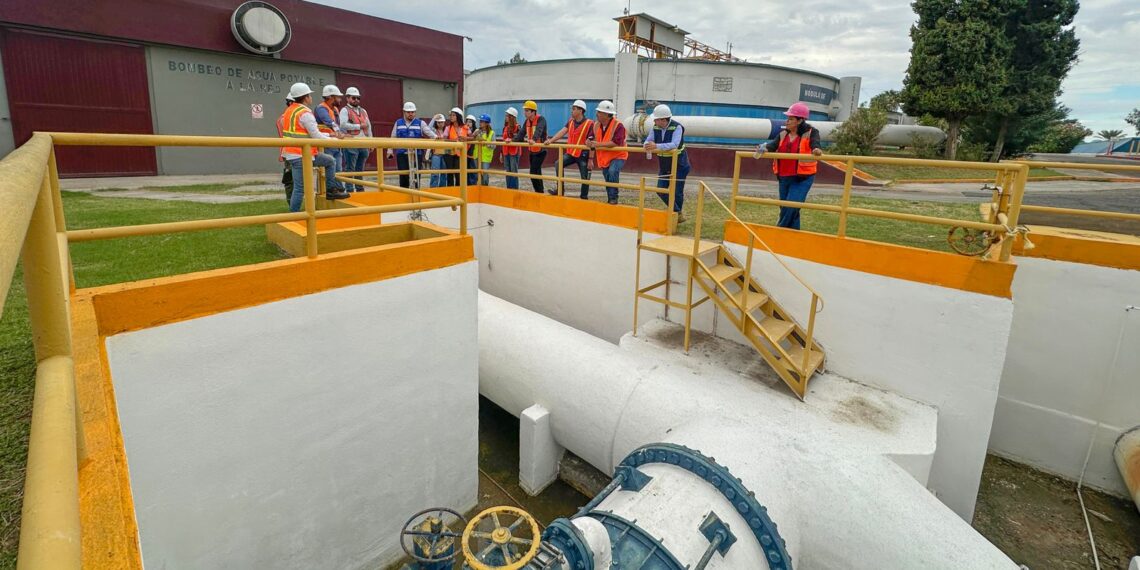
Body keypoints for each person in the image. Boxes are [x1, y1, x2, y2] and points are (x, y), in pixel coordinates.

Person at [278, 82, 350, 212]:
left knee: (329, 161)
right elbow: (316, 135)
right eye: (310, 95)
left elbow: (306, 133)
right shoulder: (305, 113)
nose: (311, 97)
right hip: (300, 155)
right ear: (305, 97)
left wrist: (330, 135)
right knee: (300, 188)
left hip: (296, 153)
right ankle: (294, 215)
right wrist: (334, 139)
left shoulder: (290, 110)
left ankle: (331, 190)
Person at [756, 102, 822, 230]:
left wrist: (816, 150)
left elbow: (816, 144)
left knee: (791, 207)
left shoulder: (811, 132)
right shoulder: (783, 134)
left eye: (791, 119)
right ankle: (793, 237)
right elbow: (772, 145)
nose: (787, 121)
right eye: (788, 118)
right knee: (788, 209)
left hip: (802, 178)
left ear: (800, 120)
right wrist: (763, 149)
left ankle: (779, 231)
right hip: (784, 176)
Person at [642, 104, 690, 221]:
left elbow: (675, 144)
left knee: (677, 191)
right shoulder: (656, 127)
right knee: (660, 189)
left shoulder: (677, 127)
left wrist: (656, 146)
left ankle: (677, 216)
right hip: (664, 165)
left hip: (679, 165)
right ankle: (677, 212)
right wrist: (646, 145)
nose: (654, 121)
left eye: (656, 119)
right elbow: (648, 140)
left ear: (663, 120)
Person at [546, 99, 593, 198]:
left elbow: (592, 143)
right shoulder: (570, 121)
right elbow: (562, 131)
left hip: (583, 154)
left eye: (574, 109)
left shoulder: (590, 123)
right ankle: (560, 190)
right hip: (571, 153)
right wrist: (551, 140)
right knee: (558, 163)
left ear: (581, 111)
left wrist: (591, 159)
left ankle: (584, 197)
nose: (572, 111)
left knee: (584, 177)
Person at [386, 101, 436, 189]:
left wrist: (437, 137)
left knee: (416, 176)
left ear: (415, 113)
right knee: (403, 176)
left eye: (412, 112)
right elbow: (393, 137)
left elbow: (430, 133)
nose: (410, 114)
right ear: (404, 112)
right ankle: (404, 195)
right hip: (402, 154)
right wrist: (389, 150)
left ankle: (416, 194)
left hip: (417, 154)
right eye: (408, 112)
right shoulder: (398, 123)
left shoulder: (421, 123)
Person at [587, 100, 627, 205]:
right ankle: (610, 199)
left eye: (599, 112)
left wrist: (597, 144)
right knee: (607, 177)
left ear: (607, 115)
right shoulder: (595, 125)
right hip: (604, 157)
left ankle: (613, 198)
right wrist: (588, 141)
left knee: (612, 172)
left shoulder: (618, 126)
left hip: (618, 156)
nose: (597, 114)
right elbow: (590, 137)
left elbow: (616, 142)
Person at [338, 87, 372, 192]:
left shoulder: (363, 111)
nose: (356, 100)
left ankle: (359, 188)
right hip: (351, 143)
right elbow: (343, 125)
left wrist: (371, 141)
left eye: (358, 98)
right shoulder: (344, 110)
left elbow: (368, 126)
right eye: (354, 98)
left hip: (363, 143)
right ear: (347, 98)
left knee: (360, 169)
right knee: (350, 168)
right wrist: (358, 126)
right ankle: (349, 190)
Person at [512, 100, 548, 193]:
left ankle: (539, 191)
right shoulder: (527, 121)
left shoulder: (541, 119)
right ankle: (540, 192)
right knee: (537, 172)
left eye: (527, 111)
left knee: (533, 172)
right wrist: (511, 141)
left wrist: (534, 139)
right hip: (532, 150)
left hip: (541, 150)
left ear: (533, 111)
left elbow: (539, 130)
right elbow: (521, 133)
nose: (525, 113)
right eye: (525, 110)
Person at [315, 84, 344, 170]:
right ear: (331, 97)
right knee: (330, 171)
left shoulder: (334, 109)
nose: (340, 99)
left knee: (338, 171)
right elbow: (329, 122)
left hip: (336, 144)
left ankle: (335, 184)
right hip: (326, 144)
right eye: (338, 97)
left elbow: (337, 124)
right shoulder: (321, 108)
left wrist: (342, 133)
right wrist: (339, 132)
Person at [440, 108, 470, 186]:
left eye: (453, 115)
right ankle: (450, 190)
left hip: (460, 155)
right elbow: (444, 139)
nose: (451, 117)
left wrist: (466, 138)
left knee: (458, 174)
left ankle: (458, 191)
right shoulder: (448, 128)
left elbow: (472, 137)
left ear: (458, 116)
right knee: (450, 174)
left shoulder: (465, 127)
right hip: (449, 154)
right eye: (451, 115)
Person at [501, 107, 522, 190]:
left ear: (512, 117)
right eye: (506, 116)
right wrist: (501, 153)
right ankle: (508, 188)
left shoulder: (518, 127)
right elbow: (503, 140)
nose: (506, 118)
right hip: (506, 151)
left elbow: (520, 138)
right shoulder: (505, 128)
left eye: (508, 116)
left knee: (513, 170)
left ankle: (514, 189)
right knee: (507, 170)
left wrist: (512, 138)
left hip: (514, 152)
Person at [475, 114, 495, 186]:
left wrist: (485, 143)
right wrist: (474, 135)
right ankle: (479, 187)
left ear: (487, 123)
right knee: (478, 174)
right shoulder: (477, 131)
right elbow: (471, 138)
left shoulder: (492, 133)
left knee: (485, 174)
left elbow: (494, 145)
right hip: (477, 155)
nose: (480, 123)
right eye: (480, 121)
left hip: (486, 157)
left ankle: (485, 187)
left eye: (482, 122)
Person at [429, 114, 448, 188]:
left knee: (444, 173)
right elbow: (428, 128)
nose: (440, 124)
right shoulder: (433, 130)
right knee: (435, 173)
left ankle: (442, 188)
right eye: (439, 122)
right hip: (436, 154)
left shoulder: (446, 130)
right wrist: (433, 118)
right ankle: (433, 188)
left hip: (445, 154)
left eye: (442, 122)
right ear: (436, 123)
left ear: (444, 122)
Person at [465, 114, 479, 186]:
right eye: (467, 121)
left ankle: (473, 185)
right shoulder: (464, 131)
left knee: (473, 172)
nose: (468, 123)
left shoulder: (476, 131)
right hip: (465, 154)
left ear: (473, 123)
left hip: (473, 155)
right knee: (465, 172)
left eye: (470, 122)